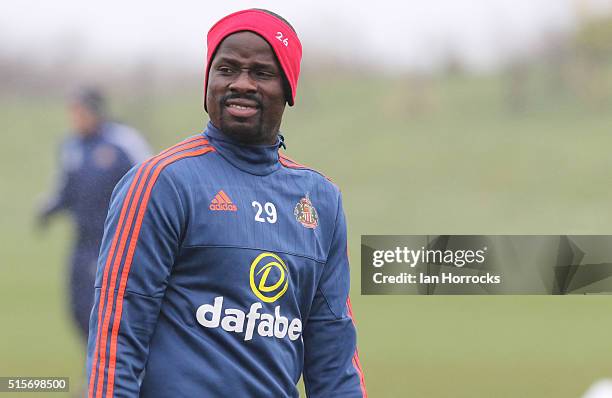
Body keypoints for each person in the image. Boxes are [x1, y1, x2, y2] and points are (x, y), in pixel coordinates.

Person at [86, 9, 367, 398]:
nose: (242, 84)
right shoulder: (161, 182)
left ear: (288, 87)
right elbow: (116, 338)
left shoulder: (320, 200)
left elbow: (333, 358)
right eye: (227, 69)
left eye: (261, 73)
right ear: (208, 82)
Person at [38, 87, 151, 341]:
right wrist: (49, 209)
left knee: (102, 309)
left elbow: (151, 178)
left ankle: (104, 372)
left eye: (79, 111)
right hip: (82, 241)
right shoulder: (71, 146)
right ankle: (94, 368)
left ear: (95, 111)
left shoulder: (123, 141)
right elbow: (66, 189)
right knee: (78, 309)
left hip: (114, 239)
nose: (74, 118)